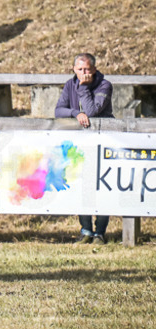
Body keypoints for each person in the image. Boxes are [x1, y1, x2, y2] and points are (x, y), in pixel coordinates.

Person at [55, 52, 113, 245]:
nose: (84, 73)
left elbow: (92, 111)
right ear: (74, 69)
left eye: (87, 69)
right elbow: (58, 110)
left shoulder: (104, 85)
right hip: (80, 143)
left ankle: (100, 232)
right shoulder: (69, 84)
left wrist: (84, 88)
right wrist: (75, 113)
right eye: (80, 69)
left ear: (94, 69)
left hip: (103, 141)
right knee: (82, 184)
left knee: (103, 186)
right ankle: (86, 230)